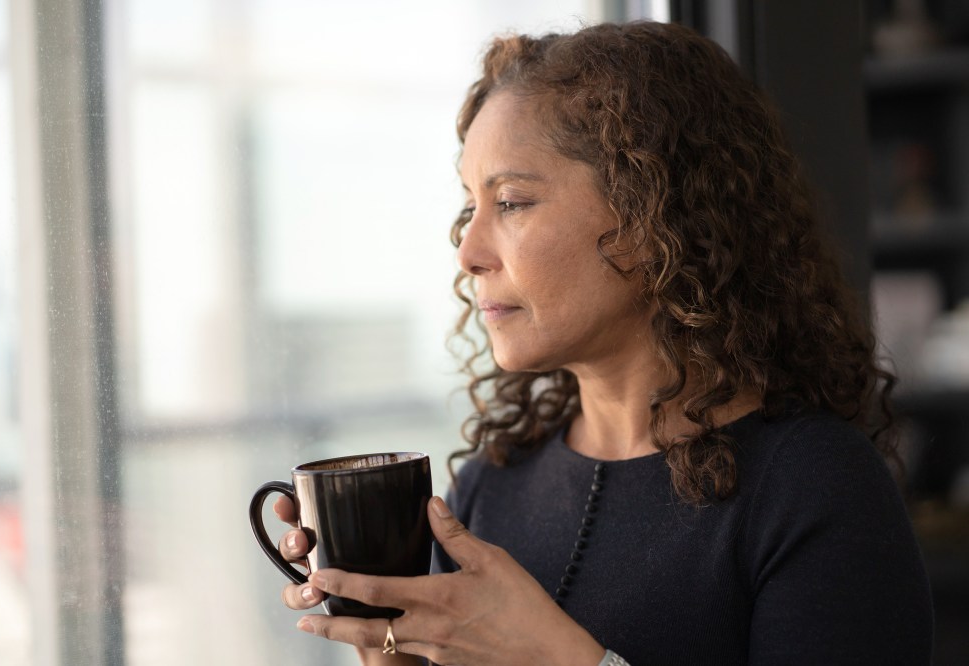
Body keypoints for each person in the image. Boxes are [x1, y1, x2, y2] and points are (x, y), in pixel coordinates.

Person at [273, 20, 934, 665]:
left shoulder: (818, 489)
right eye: (468, 207)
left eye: (510, 203)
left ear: (652, 215)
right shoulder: (487, 490)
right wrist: (381, 630)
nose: (469, 252)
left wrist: (556, 657)